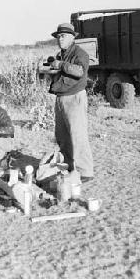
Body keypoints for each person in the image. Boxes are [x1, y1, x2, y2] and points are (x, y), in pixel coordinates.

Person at [47, 23, 94, 182]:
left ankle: (85, 171)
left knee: (78, 135)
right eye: (59, 36)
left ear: (73, 37)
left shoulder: (80, 54)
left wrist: (60, 65)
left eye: (64, 36)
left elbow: (79, 71)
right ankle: (69, 165)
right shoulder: (62, 54)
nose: (60, 39)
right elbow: (59, 74)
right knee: (62, 135)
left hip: (74, 97)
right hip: (61, 97)